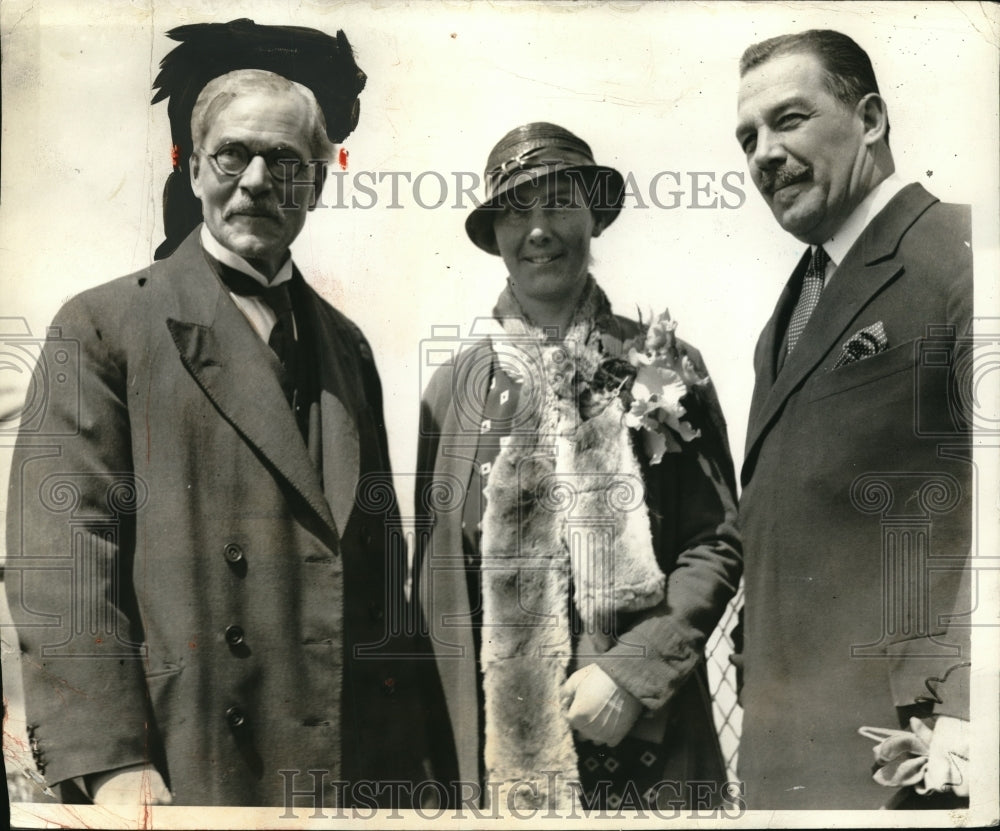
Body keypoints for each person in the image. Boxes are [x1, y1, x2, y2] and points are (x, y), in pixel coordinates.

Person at [4, 20, 425, 807]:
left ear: (320, 183)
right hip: (179, 765)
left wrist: (409, 771)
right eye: (234, 154)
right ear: (193, 169)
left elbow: (379, 583)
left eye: (287, 162)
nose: (259, 180)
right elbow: (63, 559)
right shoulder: (100, 325)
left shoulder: (349, 347)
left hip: (340, 770)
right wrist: (112, 760)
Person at [414, 122, 742, 811]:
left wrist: (632, 673)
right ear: (494, 232)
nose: (538, 230)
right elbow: (440, 583)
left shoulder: (660, 363)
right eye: (516, 210)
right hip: (506, 759)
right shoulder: (452, 392)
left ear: (594, 213)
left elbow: (716, 539)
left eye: (559, 203)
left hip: (649, 746)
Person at [733, 30, 973, 809]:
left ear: (869, 119)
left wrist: (965, 719)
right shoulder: (787, 319)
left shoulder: (963, 253)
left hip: (911, 761)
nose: (764, 153)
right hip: (784, 765)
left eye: (790, 119)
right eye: (748, 137)